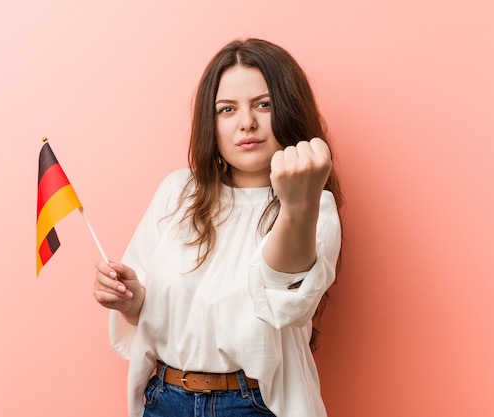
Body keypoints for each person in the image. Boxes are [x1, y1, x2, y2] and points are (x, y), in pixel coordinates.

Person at [93, 38, 343, 417]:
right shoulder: (178, 191)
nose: (247, 122)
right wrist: (130, 299)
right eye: (227, 109)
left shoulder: (314, 206)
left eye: (264, 104)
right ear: (212, 122)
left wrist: (297, 202)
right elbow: (148, 312)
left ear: (289, 110)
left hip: (252, 403)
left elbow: (284, 303)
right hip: (166, 398)